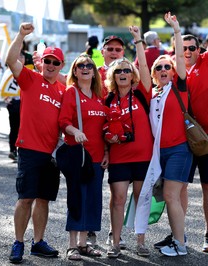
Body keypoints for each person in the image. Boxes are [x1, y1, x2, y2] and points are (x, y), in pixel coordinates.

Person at [155, 3, 208, 253]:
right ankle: (178, 233)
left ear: (199, 49)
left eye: (193, 47)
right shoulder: (171, 69)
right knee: (179, 186)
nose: (188, 51)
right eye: (184, 47)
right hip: (182, 137)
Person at [6, 23, 66, 263]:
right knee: (25, 199)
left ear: (61, 66)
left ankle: (38, 242)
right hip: (30, 149)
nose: (50, 66)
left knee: (43, 200)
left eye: (55, 63)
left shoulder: (64, 90)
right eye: (47, 61)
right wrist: (20, 35)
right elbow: (11, 60)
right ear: (41, 63)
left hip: (52, 154)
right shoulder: (30, 78)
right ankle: (18, 242)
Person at [142, 12, 190, 257]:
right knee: (174, 197)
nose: (163, 69)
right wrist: (139, 44)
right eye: (158, 67)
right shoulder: (153, 94)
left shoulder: (178, 87)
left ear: (173, 72)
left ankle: (180, 245)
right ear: (153, 73)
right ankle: (178, 238)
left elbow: (180, 56)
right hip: (158, 154)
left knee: (171, 196)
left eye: (166, 67)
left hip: (180, 150)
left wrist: (176, 31)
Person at [104, 25, 152, 258]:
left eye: (126, 70)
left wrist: (138, 41)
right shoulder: (108, 99)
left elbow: (143, 65)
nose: (122, 73)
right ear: (112, 77)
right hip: (119, 157)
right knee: (118, 199)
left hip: (144, 156)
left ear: (132, 75)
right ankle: (115, 242)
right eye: (118, 71)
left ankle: (140, 241)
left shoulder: (142, 91)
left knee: (142, 200)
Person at [59, 54, 108, 261]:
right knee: (77, 198)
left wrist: (107, 152)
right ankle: (72, 246)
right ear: (75, 71)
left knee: (93, 200)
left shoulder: (100, 95)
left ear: (94, 71)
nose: (86, 68)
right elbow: (63, 121)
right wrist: (74, 131)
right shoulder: (72, 92)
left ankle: (83, 243)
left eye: (89, 65)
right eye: (81, 66)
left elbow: (105, 126)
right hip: (78, 156)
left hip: (97, 157)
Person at [87, 34, 125, 247]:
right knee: (93, 189)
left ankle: (115, 232)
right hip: (97, 140)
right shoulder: (94, 75)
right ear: (102, 52)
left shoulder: (129, 74)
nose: (113, 52)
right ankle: (90, 231)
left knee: (118, 192)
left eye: (118, 49)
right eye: (110, 48)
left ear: (123, 53)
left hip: (120, 142)